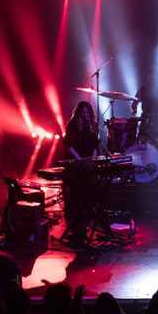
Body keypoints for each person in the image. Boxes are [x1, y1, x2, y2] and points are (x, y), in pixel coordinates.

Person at [63, 101, 99, 245]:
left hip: (89, 165)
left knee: (89, 197)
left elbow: (95, 145)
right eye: (83, 112)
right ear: (78, 113)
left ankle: (84, 228)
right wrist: (80, 160)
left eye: (87, 113)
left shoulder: (91, 126)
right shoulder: (72, 125)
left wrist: (93, 159)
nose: (85, 115)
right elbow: (69, 145)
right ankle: (77, 230)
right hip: (76, 166)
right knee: (76, 198)